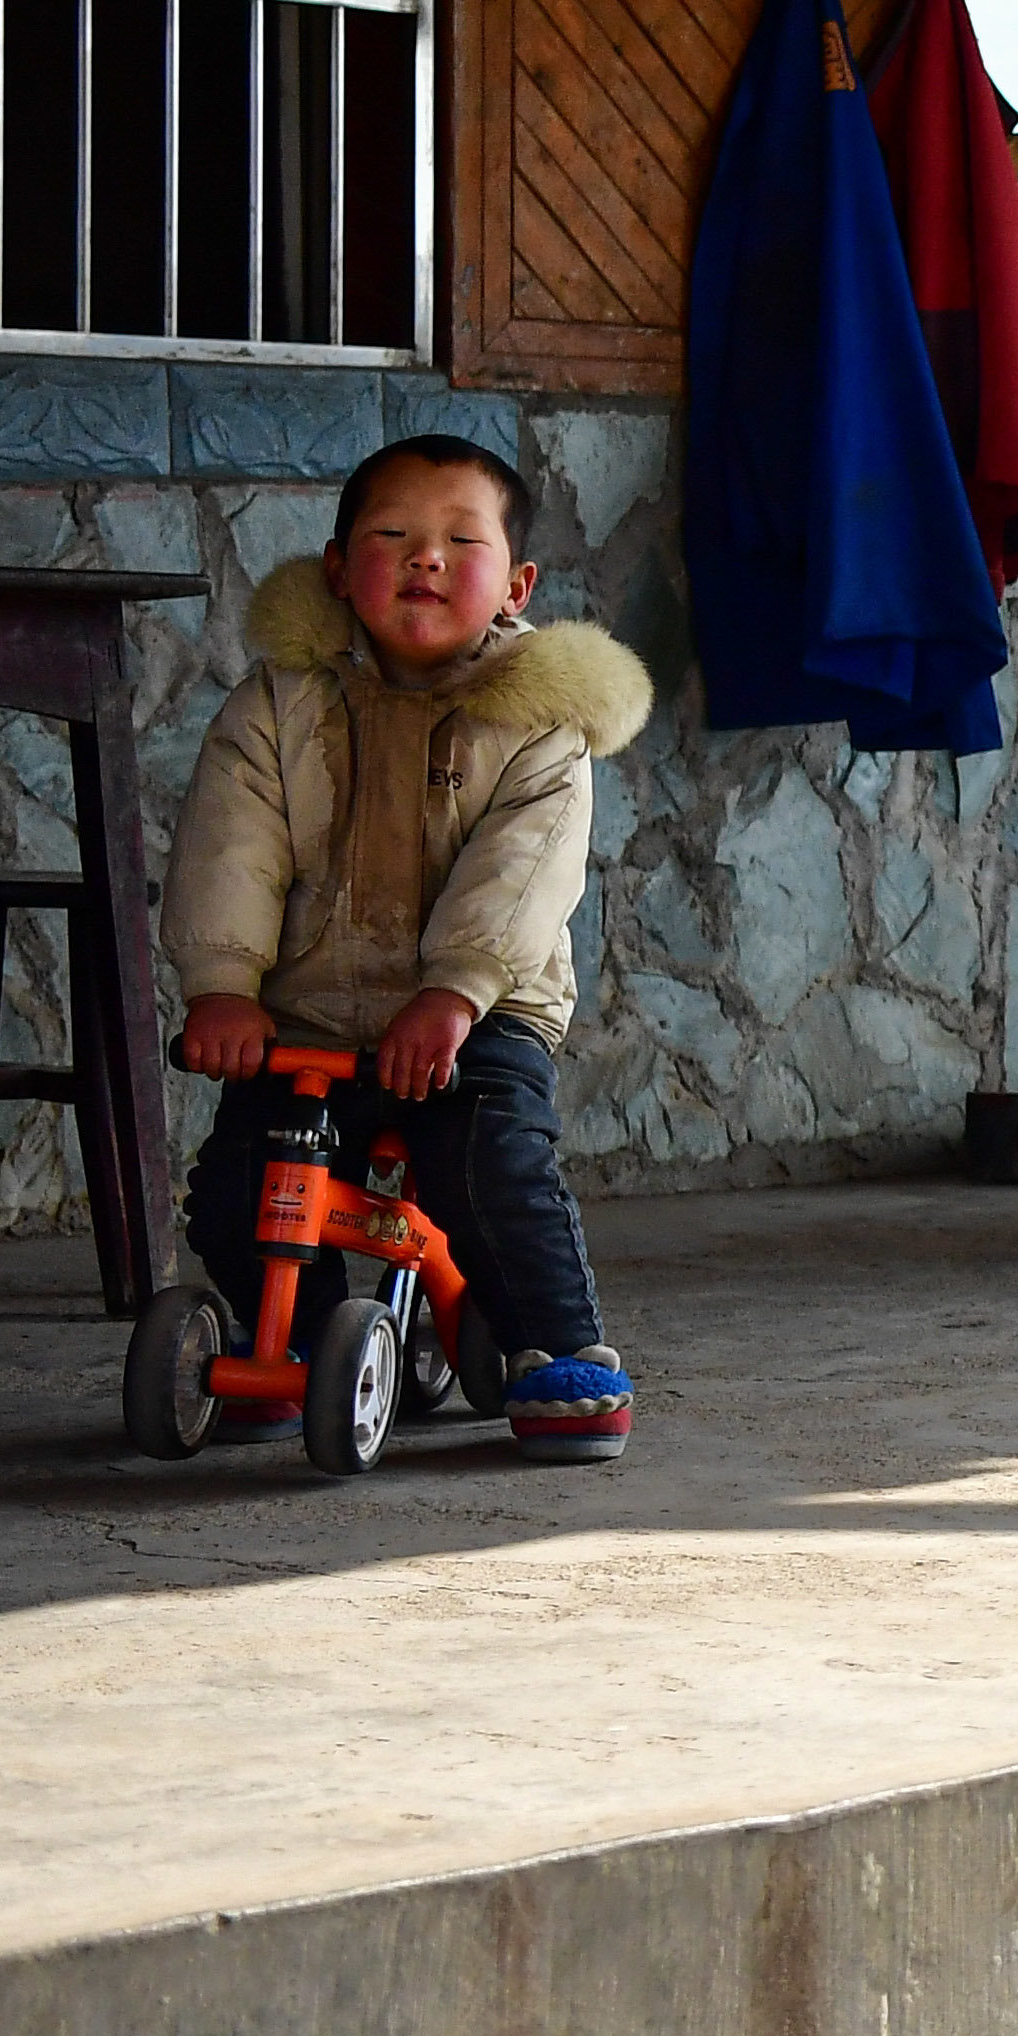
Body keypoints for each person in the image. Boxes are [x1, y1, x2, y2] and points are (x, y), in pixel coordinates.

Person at [163, 434, 652, 1458]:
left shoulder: (540, 727)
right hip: (312, 1010)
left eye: (459, 541)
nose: (425, 557)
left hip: (483, 1010)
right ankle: (291, 1338)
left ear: (516, 586)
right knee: (238, 1186)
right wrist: (223, 982)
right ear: (340, 569)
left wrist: (458, 991)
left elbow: (521, 875)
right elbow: (229, 845)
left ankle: (558, 1348)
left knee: (487, 1165)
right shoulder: (279, 703)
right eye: (392, 535)